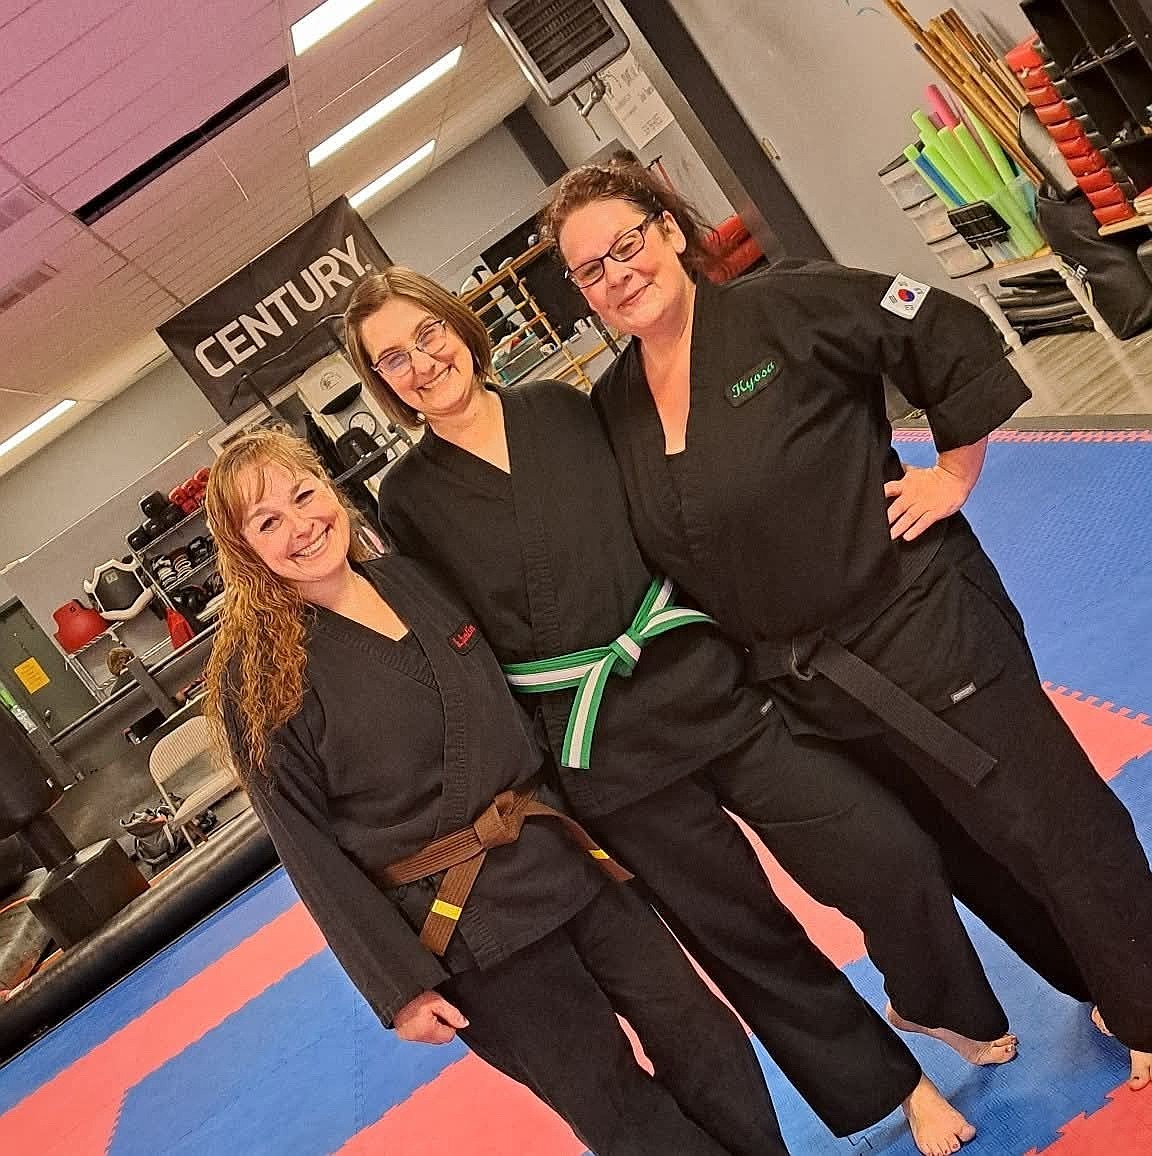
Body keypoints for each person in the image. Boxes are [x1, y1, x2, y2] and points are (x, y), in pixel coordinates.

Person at [343, 268, 1012, 1156]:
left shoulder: (562, 409)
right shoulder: (409, 499)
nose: (422, 364)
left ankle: (931, 999)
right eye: (393, 358)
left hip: (700, 680)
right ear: (381, 384)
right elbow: (459, 648)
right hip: (599, 747)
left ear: (461, 328)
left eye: (428, 336)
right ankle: (898, 1087)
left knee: (888, 851)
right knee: (745, 935)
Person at [540, 158, 1152, 1091]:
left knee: (1048, 815)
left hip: (918, 620)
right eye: (591, 268)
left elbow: (940, 328)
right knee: (961, 848)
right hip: (808, 686)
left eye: (627, 243)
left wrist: (952, 476)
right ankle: (1095, 980)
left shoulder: (786, 306)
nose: (618, 272)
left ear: (670, 229)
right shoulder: (616, 404)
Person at [201, 429, 788, 1156]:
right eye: (267, 522)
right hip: (465, 921)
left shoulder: (413, 580)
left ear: (331, 489)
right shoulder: (256, 684)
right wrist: (399, 986)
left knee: (701, 1030)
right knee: (605, 1096)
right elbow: (305, 848)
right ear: (243, 552)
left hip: (561, 856)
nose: (301, 526)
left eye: (303, 494)